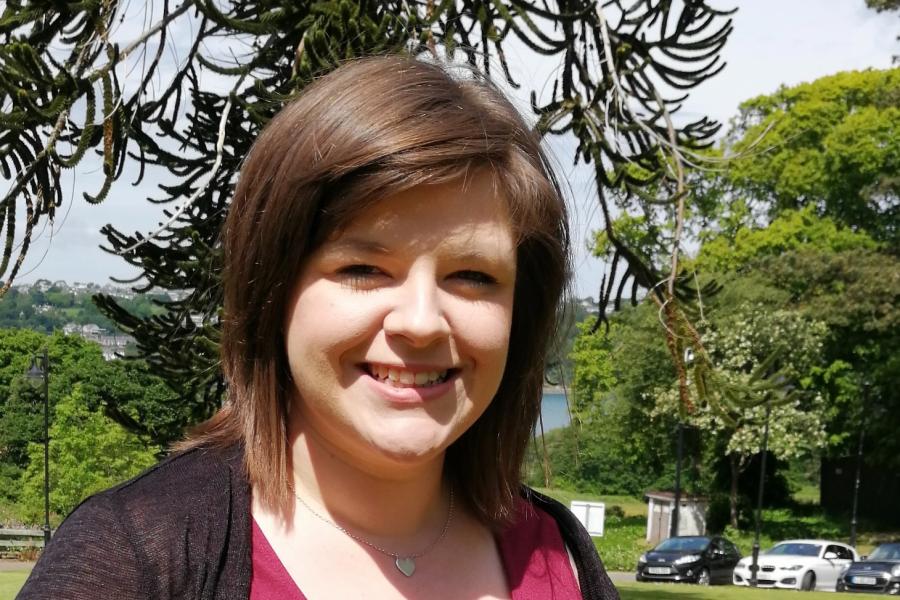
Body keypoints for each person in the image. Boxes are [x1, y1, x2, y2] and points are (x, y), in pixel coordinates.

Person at [18, 54, 619, 600]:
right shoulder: (134, 559)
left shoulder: (558, 560)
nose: (420, 322)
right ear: (275, 292)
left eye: (473, 276)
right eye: (363, 269)